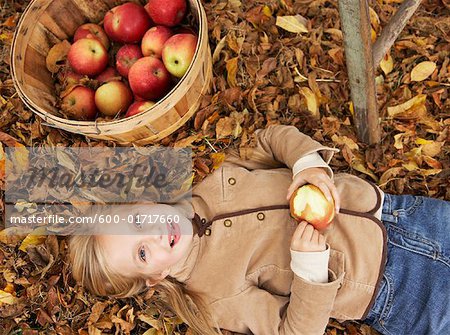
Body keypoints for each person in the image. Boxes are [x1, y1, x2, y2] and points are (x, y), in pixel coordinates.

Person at [69, 125, 450, 335]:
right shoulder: (215, 295)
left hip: (402, 213)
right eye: (141, 253)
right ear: (155, 276)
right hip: (396, 291)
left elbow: (269, 138)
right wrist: (309, 271)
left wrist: (307, 166)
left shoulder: (214, 184)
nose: (152, 233)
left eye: (137, 221)